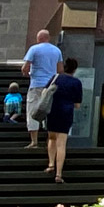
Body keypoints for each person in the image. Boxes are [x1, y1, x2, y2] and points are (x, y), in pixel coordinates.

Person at [45, 57, 84, 186]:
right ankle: (58, 174)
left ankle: (50, 164)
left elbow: (46, 92)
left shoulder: (55, 78)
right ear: (74, 69)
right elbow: (77, 104)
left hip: (52, 110)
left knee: (51, 138)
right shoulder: (76, 83)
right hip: (66, 113)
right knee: (61, 144)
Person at [22, 28, 62, 149]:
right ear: (48, 38)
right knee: (49, 110)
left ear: (38, 39)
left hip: (36, 84)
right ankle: (51, 140)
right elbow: (60, 70)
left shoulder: (34, 49)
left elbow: (25, 67)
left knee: (33, 111)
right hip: (51, 85)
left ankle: (34, 141)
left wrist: (26, 73)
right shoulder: (57, 50)